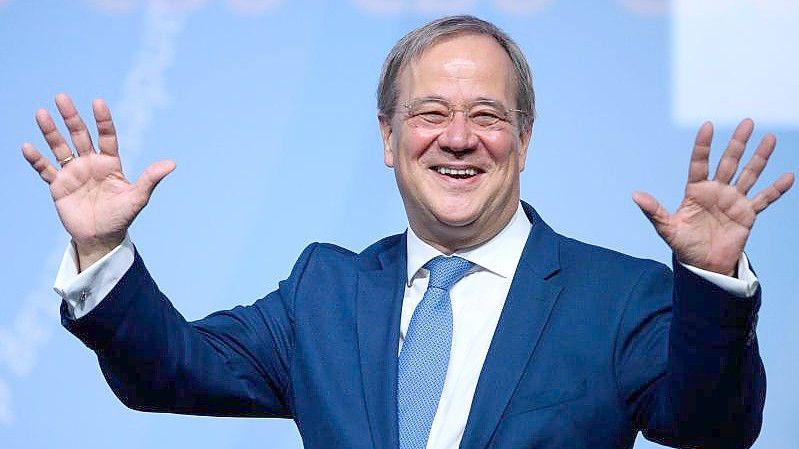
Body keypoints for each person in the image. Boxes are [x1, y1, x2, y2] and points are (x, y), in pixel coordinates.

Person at [21, 15, 793, 449]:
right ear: (388, 139)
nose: (457, 138)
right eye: (430, 114)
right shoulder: (322, 293)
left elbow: (710, 424)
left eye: (487, 115)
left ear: (524, 141)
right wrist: (101, 251)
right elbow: (170, 370)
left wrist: (711, 284)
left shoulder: (620, 297)